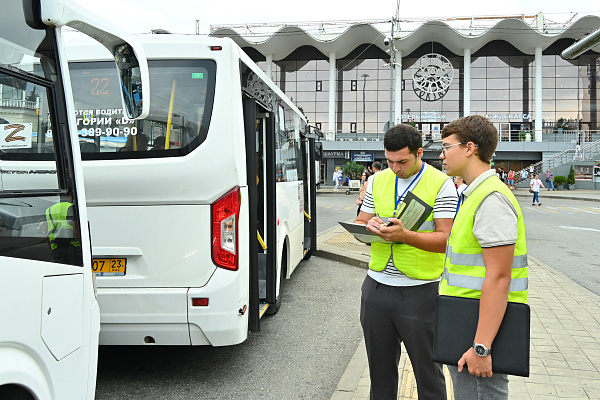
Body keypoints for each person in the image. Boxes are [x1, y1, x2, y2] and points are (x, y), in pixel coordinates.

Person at [355, 123, 457, 399]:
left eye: (402, 161)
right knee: (380, 374)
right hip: (375, 288)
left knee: (428, 376)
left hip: (420, 291)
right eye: (389, 161)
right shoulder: (377, 180)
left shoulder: (442, 184)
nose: (395, 168)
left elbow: (446, 240)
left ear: (419, 153)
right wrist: (369, 228)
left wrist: (405, 236)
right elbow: (360, 222)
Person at [438, 115, 528, 400]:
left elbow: (499, 278)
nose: (441, 155)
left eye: (446, 147)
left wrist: (481, 347)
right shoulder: (472, 193)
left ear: (469, 148)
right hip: (467, 320)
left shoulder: (491, 198)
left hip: (479, 330)